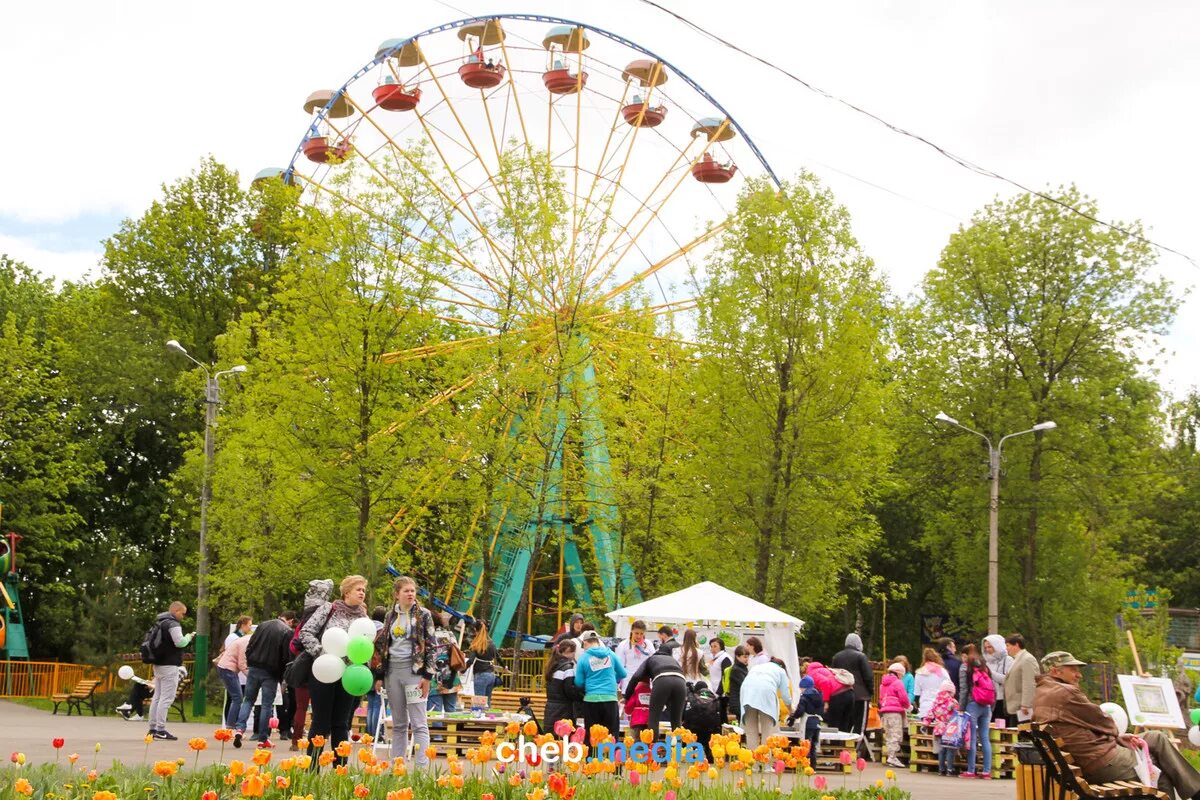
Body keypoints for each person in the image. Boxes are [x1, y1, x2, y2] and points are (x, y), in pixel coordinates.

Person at [1034, 651, 1200, 799]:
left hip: (1087, 759)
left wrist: (1117, 738)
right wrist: (1115, 736)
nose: (1079, 675)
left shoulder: (1041, 694)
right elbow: (1105, 721)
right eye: (1073, 669)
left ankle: (1197, 790)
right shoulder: (1066, 692)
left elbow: (1085, 727)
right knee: (1155, 766)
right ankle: (1196, 791)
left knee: (1156, 738)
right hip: (1101, 763)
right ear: (1055, 670)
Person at [298, 574, 370, 767]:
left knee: (342, 723)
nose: (362, 593)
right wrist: (321, 652)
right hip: (324, 671)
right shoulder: (329, 608)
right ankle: (311, 768)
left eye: (364, 590)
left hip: (349, 675)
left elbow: (365, 644)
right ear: (347, 592)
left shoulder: (363, 616)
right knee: (320, 722)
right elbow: (306, 632)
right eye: (359, 589)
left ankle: (341, 769)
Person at [374, 576, 436, 767]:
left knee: (419, 723)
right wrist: (379, 675)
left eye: (412, 591)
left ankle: (422, 770)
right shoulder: (390, 615)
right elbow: (383, 644)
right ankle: (397, 768)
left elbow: (432, 646)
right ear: (397, 594)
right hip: (393, 672)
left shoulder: (424, 615)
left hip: (414, 673)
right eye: (406, 591)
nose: (410, 594)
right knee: (399, 724)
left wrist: (427, 676)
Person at [234, 610, 294, 749]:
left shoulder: (263, 625)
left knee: (248, 700)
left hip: (254, 667)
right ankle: (263, 738)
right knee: (266, 705)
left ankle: (239, 729)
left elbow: (251, 645)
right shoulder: (287, 632)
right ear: (288, 621)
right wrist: (282, 676)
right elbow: (286, 657)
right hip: (271, 672)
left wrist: (250, 661)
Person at [289, 579, 333, 750]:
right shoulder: (328, 615)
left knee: (301, 706)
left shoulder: (304, 618)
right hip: (322, 666)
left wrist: (302, 654)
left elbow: (294, 644)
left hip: (303, 667)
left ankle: (296, 739)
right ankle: (318, 741)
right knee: (320, 709)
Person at [146, 600, 194, 741]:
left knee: (157, 697)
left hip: (158, 664)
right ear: (176, 611)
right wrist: (189, 637)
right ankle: (161, 730)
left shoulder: (159, 623)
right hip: (170, 665)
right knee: (166, 699)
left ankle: (152, 728)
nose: (183, 616)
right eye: (182, 613)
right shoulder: (173, 624)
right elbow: (180, 642)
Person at [574, 630, 627, 736]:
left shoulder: (583, 658)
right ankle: (610, 753)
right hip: (610, 699)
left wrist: (588, 682)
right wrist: (613, 679)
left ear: (585, 643)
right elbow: (623, 673)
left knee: (593, 736)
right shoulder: (611, 654)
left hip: (591, 700)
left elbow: (578, 682)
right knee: (611, 735)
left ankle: (594, 753)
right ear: (597, 641)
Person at [623, 649, 688, 736]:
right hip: (681, 682)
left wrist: (627, 697)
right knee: (676, 721)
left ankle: (652, 747)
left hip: (662, 680)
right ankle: (678, 748)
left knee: (653, 719)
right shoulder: (673, 660)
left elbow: (636, 677)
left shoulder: (650, 659)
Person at [738, 657, 792, 749]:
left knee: (751, 733)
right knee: (767, 734)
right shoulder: (781, 670)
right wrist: (790, 710)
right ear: (781, 666)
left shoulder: (756, 667)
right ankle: (765, 762)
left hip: (747, 693)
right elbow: (786, 696)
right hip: (766, 692)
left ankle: (752, 761)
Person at [959, 644, 995, 778]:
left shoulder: (964, 667)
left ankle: (971, 771)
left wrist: (961, 708)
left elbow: (963, 689)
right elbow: (993, 687)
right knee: (985, 738)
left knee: (972, 738)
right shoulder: (984, 666)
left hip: (972, 704)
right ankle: (986, 771)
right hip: (986, 705)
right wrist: (991, 706)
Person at [831, 632, 874, 733]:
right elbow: (868, 676)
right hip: (860, 696)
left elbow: (833, 675)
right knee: (859, 726)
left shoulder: (837, 657)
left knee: (844, 725)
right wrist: (870, 692)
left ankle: (842, 747)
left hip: (841, 695)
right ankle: (856, 747)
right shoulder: (861, 657)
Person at [543, 639, 584, 732]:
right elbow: (569, 691)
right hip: (564, 709)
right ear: (571, 652)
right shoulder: (567, 668)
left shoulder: (553, 665)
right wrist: (581, 696)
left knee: (551, 736)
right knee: (563, 737)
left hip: (551, 707)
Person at [216, 620, 251, 728]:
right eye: (249, 625)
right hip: (227, 669)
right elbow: (241, 663)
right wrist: (251, 677)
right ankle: (231, 726)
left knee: (237, 698)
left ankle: (231, 725)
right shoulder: (244, 642)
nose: (250, 627)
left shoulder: (244, 639)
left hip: (228, 669)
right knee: (237, 698)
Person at [427, 612, 463, 712]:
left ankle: (437, 728)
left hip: (434, 677)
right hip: (451, 675)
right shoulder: (449, 634)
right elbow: (458, 651)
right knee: (451, 711)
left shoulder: (428, 636)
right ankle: (451, 728)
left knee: (435, 712)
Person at [807, 659, 855, 732]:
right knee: (844, 722)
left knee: (834, 724)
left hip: (838, 695)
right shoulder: (827, 670)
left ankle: (834, 742)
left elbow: (825, 683)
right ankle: (842, 742)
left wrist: (826, 702)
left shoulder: (812, 674)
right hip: (850, 693)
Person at [879, 661, 911, 768]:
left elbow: (880, 699)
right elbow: (903, 697)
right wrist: (908, 706)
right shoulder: (898, 683)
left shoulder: (883, 684)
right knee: (896, 733)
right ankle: (892, 757)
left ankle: (890, 755)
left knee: (888, 734)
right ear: (899, 673)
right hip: (895, 712)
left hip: (885, 712)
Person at [926, 679, 959, 776]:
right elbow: (958, 714)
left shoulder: (936, 702)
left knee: (941, 750)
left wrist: (926, 722)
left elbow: (930, 713)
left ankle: (941, 769)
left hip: (939, 728)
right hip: (950, 729)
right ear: (951, 691)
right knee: (950, 749)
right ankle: (950, 769)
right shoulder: (952, 702)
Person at [1004, 633, 1039, 723]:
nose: (1006, 648)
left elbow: (1030, 682)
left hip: (1022, 708)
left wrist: (1026, 704)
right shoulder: (1017, 659)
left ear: (1016, 645)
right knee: (1014, 734)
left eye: (1008, 645)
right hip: (1015, 706)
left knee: (1023, 734)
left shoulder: (1027, 659)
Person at [786, 675, 823, 757]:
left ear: (804, 687)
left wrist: (793, 717)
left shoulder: (804, 697)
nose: (800, 690)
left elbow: (800, 711)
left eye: (801, 688)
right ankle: (813, 767)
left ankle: (805, 765)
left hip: (807, 722)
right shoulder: (819, 695)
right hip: (817, 722)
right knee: (813, 747)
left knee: (805, 745)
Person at [466, 622, 500, 707]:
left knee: (479, 704)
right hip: (491, 675)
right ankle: (489, 719)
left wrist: (462, 670)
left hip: (480, 675)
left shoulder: (477, 644)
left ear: (475, 630)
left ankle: (479, 719)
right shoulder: (492, 643)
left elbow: (470, 661)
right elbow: (498, 657)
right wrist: (504, 667)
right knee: (487, 702)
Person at [982, 635, 1013, 725]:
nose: (987, 649)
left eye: (990, 646)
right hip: (989, 700)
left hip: (1002, 700)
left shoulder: (1008, 660)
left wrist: (990, 673)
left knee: (1002, 728)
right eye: (986, 647)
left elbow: (1007, 680)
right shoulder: (986, 662)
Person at [614, 621, 651, 691]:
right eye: (636, 633)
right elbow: (619, 665)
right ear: (631, 631)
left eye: (641, 633)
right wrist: (617, 683)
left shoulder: (648, 644)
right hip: (628, 682)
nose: (639, 636)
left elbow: (653, 660)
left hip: (644, 681)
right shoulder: (623, 644)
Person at [913, 647, 949, 720]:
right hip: (940, 708)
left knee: (925, 730)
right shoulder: (942, 671)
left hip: (925, 708)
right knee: (939, 730)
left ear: (924, 659)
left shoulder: (919, 673)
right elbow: (950, 687)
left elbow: (917, 693)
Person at [723, 645, 750, 723]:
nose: (747, 659)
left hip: (740, 701)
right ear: (737, 657)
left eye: (748, 657)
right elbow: (745, 684)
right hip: (738, 702)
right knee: (743, 725)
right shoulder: (736, 670)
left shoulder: (742, 668)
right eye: (744, 657)